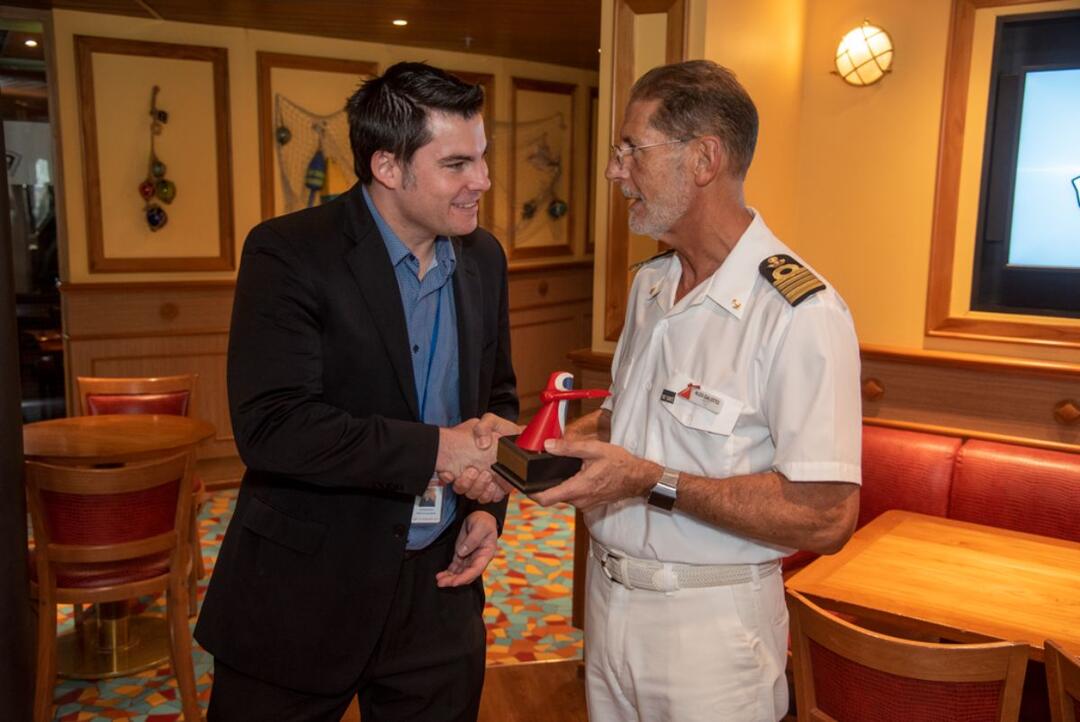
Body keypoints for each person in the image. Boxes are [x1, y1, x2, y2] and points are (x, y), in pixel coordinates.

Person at [533, 60, 862, 721]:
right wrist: (545, 446)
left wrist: (648, 480)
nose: (614, 170)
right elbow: (632, 424)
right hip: (608, 601)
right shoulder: (650, 284)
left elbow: (827, 518)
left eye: (632, 149)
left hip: (712, 631)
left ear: (705, 158)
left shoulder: (801, 311)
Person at [195, 62, 521, 722]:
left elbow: (500, 401)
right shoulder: (288, 252)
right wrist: (439, 451)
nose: (481, 181)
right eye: (457, 163)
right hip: (304, 592)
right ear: (388, 167)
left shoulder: (484, 258)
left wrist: (490, 508)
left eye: (482, 159)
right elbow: (274, 426)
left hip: (440, 590)